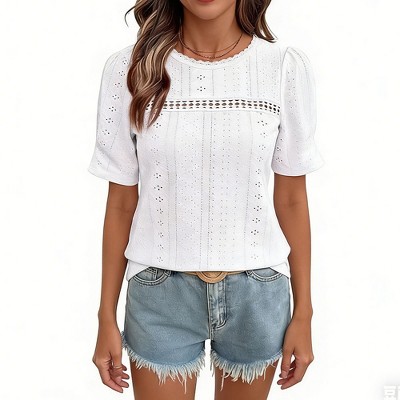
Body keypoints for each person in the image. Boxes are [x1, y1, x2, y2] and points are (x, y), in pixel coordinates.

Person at [88, 1, 324, 399]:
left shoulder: (283, 67)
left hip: (257, 293)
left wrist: (305, 313)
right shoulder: (129, 69)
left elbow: (291, 201)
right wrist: (105, 316)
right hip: (158, 293)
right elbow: (121, 203)